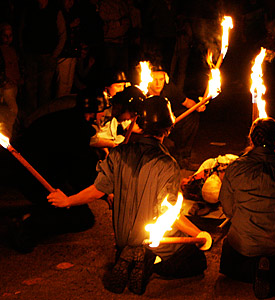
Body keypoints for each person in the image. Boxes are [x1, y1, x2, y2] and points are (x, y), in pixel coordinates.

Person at [47, 95, 207, 295]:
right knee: (197, 260)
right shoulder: (168, 165)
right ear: (168, 128)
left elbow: (97, 190)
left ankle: (128, 255)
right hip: (150, 240)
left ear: (139, 124)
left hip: (123, 239)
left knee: (135, 244)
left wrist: (68, 200)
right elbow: (170, 214)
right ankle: (150, 261)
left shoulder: (118, 153)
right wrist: (198, 235)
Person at [8, 87, 109, 253]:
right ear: (95, 111)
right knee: (82, 218)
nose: (104, 115)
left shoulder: (72, 118)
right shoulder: (75, 129)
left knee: (75, 206)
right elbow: (80, 171)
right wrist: (104, 192)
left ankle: (35, 214)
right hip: (34, 175)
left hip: (38, 170)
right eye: (103, 111)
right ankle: (26, 227)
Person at [218, 117, 275, 299]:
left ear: (251, 139)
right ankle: (269, 269)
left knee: (230, 247)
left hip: (244, 241)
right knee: (274, 252)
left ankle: (251, 271)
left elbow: (228, 210)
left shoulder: (235, 167)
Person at [147, 65, 206, 170]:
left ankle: (183, 158)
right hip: (149, 129)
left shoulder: (169, 88)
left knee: (191, 116)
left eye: (161, 79)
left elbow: (186, 102)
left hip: (169, 124)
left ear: (165, 79)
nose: (158, 83)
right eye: (154, 79)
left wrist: (198, 106)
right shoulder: (143, 91)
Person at [18, 0, 66, 114]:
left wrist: (54, 55)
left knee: (45, 89)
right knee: (30, 88)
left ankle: (41, 116)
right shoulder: (29, 10)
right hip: (31, 55)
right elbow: (21, 30)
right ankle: (31, 116)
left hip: (48, 56)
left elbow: (62, 33)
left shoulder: (55, 11)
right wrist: (23, 50)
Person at [89, 69, 131, 157]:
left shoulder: (119, 104)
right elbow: (91, 139)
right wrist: (109, 145)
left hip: (112, 143)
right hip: (98, 148)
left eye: (123, 86)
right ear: (107, 87)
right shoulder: (101, 106)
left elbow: (127, 123)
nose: (121, 90)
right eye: (118, 86)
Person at [0, 23, 22, 130]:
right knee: (13, 109)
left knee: (11, 111)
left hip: (13, 86)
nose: (8, 39)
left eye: (10, 36)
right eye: (5, 36)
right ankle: (5, 133)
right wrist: (4, 82)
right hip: (4, 88)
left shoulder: (12, 50)